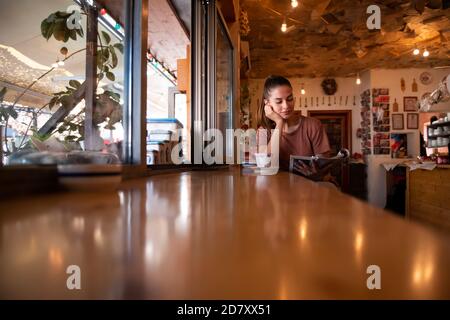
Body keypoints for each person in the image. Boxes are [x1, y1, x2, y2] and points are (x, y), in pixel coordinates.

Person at [256, 75, 332, 181]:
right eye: (279, 101)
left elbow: (325, 168)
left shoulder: (313, 125)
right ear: (267, 104)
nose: (286, 106)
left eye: (290, 99)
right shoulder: (263, 131)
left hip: (310, 189)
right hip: (277, 192)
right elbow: (264, 165)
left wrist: (317, 173)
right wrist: (279, 122)